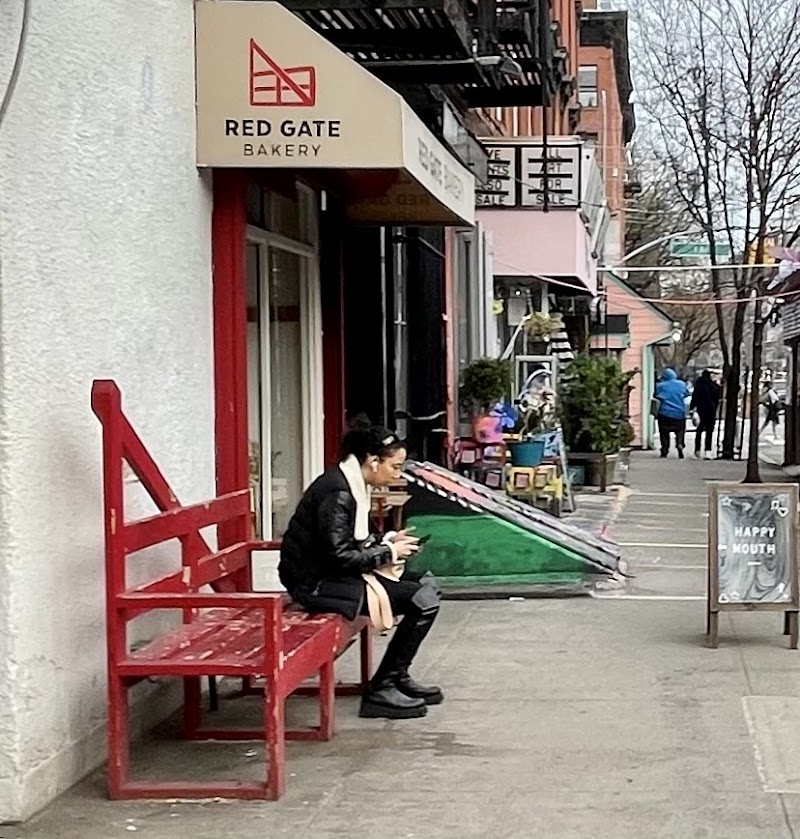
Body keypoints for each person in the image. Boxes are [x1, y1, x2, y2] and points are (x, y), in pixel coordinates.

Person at [279, 418, 443, 721]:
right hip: (317, 584)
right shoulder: (339, 492)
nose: (397, 474)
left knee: (427, 585)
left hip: (331, 577)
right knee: (422, 599)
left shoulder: (352, 483)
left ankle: (396, 676)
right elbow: (340, 557)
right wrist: (389, 551)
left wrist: (388, 541)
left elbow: (359, 540)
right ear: (372, 460)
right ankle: (381, 690)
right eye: (394, 466)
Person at [655, 367, 689, 459]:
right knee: (680, 431)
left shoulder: (660, 386)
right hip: (679, 413)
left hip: (664, 413)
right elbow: (686, 394)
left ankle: (665, 449)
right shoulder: (682, 384)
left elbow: (656, 396)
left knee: (664, 433)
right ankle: (680, 444)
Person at [690, 370, 721, 460]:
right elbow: (718, 395)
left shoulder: (699, 384)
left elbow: (695, 396)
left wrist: (692, 408)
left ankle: (697, 450)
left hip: (701, 410)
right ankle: (708, 450)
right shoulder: (713, 386)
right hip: (711, 410)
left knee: (699, 430)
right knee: (709, 431)